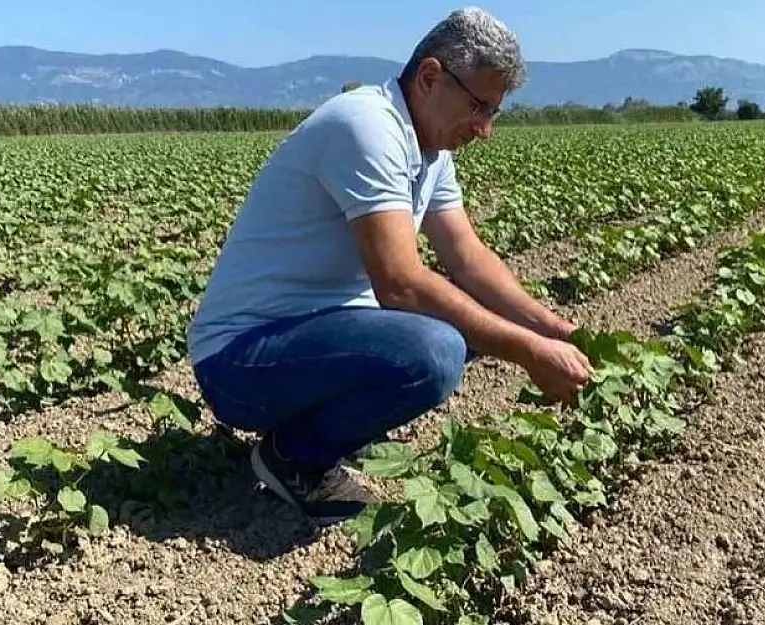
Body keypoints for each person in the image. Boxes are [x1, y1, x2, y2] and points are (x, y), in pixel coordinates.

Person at [187, 6, 592, 528]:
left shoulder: (430, 150)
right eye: (480, 107)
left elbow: (468, 258)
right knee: (437, 345)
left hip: (308, 339)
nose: (486, 129)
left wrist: (553, 329)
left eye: (495, 113)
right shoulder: (367, 126)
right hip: (242, 360)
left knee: (464, 320)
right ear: (430, 77)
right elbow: (400, 285)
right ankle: (294, 457)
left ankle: (328, 425)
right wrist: (529, 352)